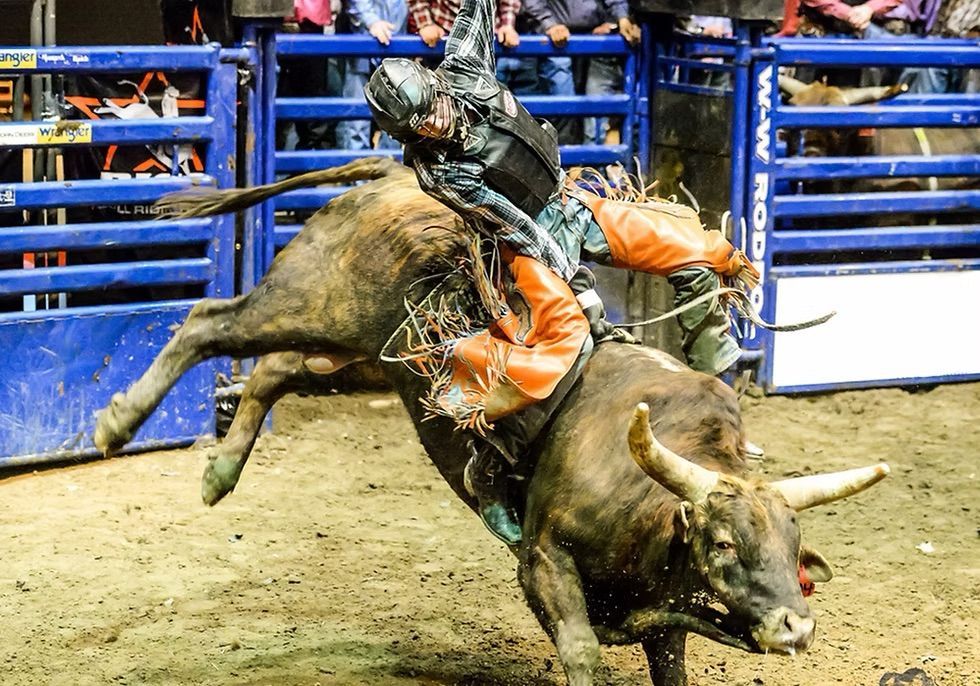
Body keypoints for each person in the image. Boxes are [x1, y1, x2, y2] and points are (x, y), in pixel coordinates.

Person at [364, 0, 757, 545]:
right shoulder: (438, 169)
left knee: (696, 248)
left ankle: (723, 398)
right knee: (562, 340)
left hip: (569, 200)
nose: (433, 122)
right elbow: (511, 222)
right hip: (520, 244)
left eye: (430, 108)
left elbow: (475, 13)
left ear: (436, 88)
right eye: (418, 125)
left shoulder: (465, 73)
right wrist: (571, 278)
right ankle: (492, 471)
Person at [338, 0, 409, 150]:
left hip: (397, 49)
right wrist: (372, 21)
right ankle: (357, 171)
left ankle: (389, 170)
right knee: (356, 124)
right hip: (362, 47)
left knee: (395, 122)